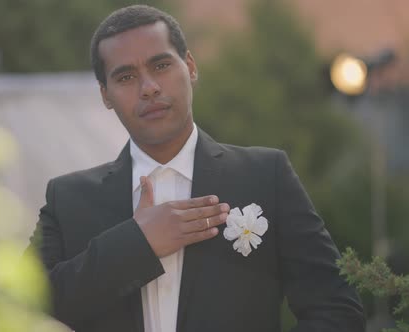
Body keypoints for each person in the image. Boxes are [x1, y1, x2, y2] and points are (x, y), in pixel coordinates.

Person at [27, 5, 365, 332]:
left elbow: (337, 310)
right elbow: (20, 309)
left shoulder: (266, 176)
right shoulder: (67, 198)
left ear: (189, 66)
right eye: (126, 76)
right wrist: (135, 244)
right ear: (105, 95)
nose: (149, 87)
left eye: (160, 66)